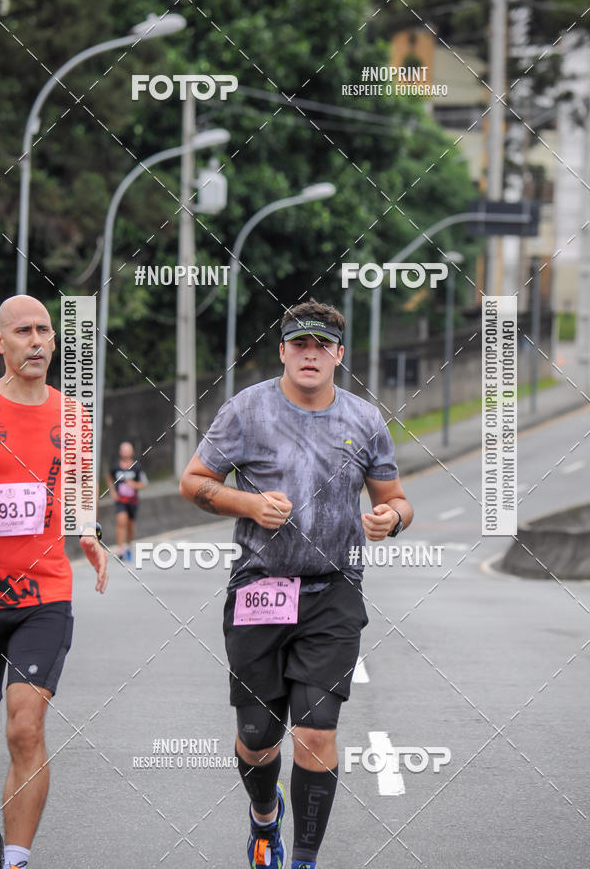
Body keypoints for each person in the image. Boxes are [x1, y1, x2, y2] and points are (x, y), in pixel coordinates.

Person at [180, 298, 413, 869]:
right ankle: (265, 819)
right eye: (300, 344)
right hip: (260, 587)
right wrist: (249, 504)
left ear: (339, 354)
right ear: (283, 351)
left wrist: (392, 520)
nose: (311, 354)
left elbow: (397, 500)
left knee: (315, 732)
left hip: (333, 591)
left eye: (322, 346)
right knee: (258, 738)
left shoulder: (364, 419)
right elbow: (193, 481)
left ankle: (305, 859)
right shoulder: (245, 411)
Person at [0, 295, 108, 869]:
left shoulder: (75, 417)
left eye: (45, 330)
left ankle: (15, 859)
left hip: (44, 596)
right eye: (23, 331)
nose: (36, 340)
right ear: (0, 344)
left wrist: (90, 535)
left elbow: (83, 501)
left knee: (24, 727)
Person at [107, 442, 148, 561]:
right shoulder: (116, 467)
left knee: (130, 525)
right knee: (121, 521)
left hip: (133, 501)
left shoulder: (136, 467)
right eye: (124, 450)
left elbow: (144, 483)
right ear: (120, 452)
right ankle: (120, 549)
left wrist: (134, 484)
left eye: (128, 450)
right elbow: (109, 478)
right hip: (121, 500)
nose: (126, 453)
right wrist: (113, 492)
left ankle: (128, 546)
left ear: (132, 452)